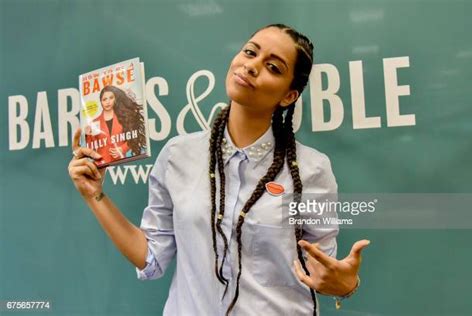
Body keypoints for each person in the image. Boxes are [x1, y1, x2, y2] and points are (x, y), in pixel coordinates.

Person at [68, 24, 369, 315]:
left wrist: (345, 284)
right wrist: (95, 196)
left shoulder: (311, 170)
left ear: (289, 96)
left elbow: (321, 270)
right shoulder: (178, 155)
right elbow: (150, 256)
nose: (252, 66)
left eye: (273, 67)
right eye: (250, 53)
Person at [84, 85, 147, 165]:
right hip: (102, 165)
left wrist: (122, 149)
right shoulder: (94, 122)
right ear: (101, 102)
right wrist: (87, 135)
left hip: (121, 163)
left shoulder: (124, 118)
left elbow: (133, 138)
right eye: (104, 99)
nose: (108, 102)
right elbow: (91, 148)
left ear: (115, 100)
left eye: (111, 98)